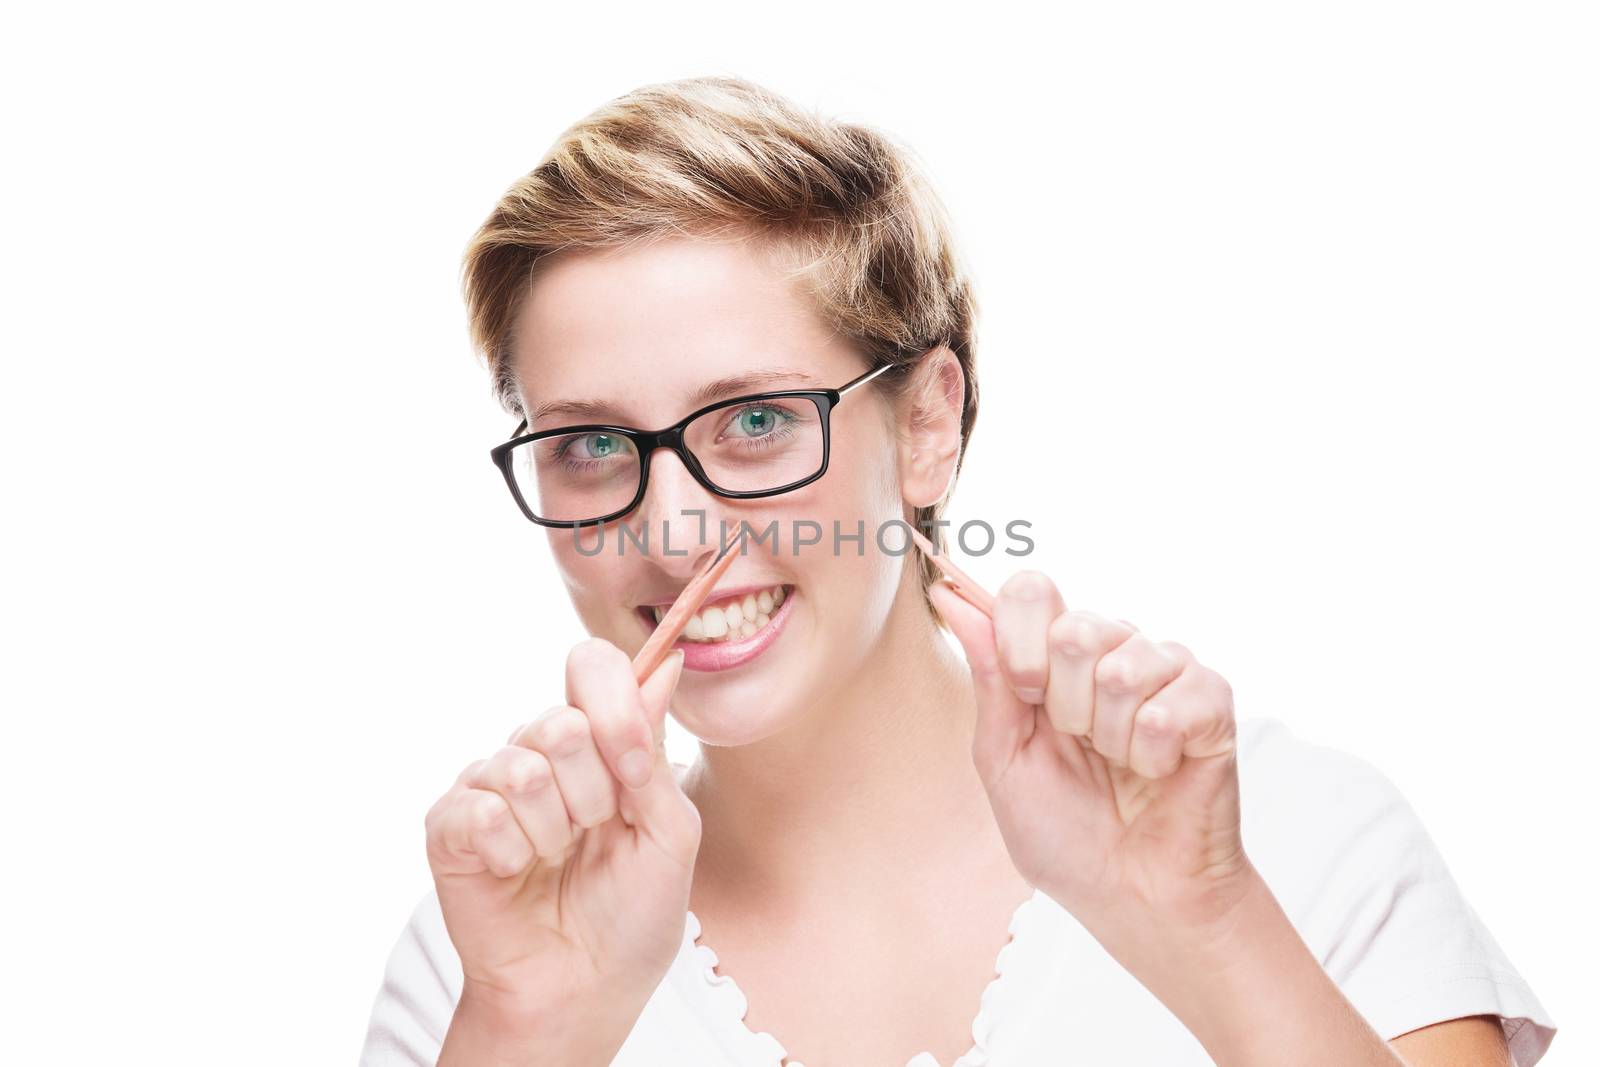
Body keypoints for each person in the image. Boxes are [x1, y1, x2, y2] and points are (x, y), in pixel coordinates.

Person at [359, 76, 1557, 1066]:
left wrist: (1207, 926)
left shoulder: (1292, 842)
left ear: (928, 422)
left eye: (758, 422)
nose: (672, 536)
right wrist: (531, 1029)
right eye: (594, 446)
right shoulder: (497, 946)